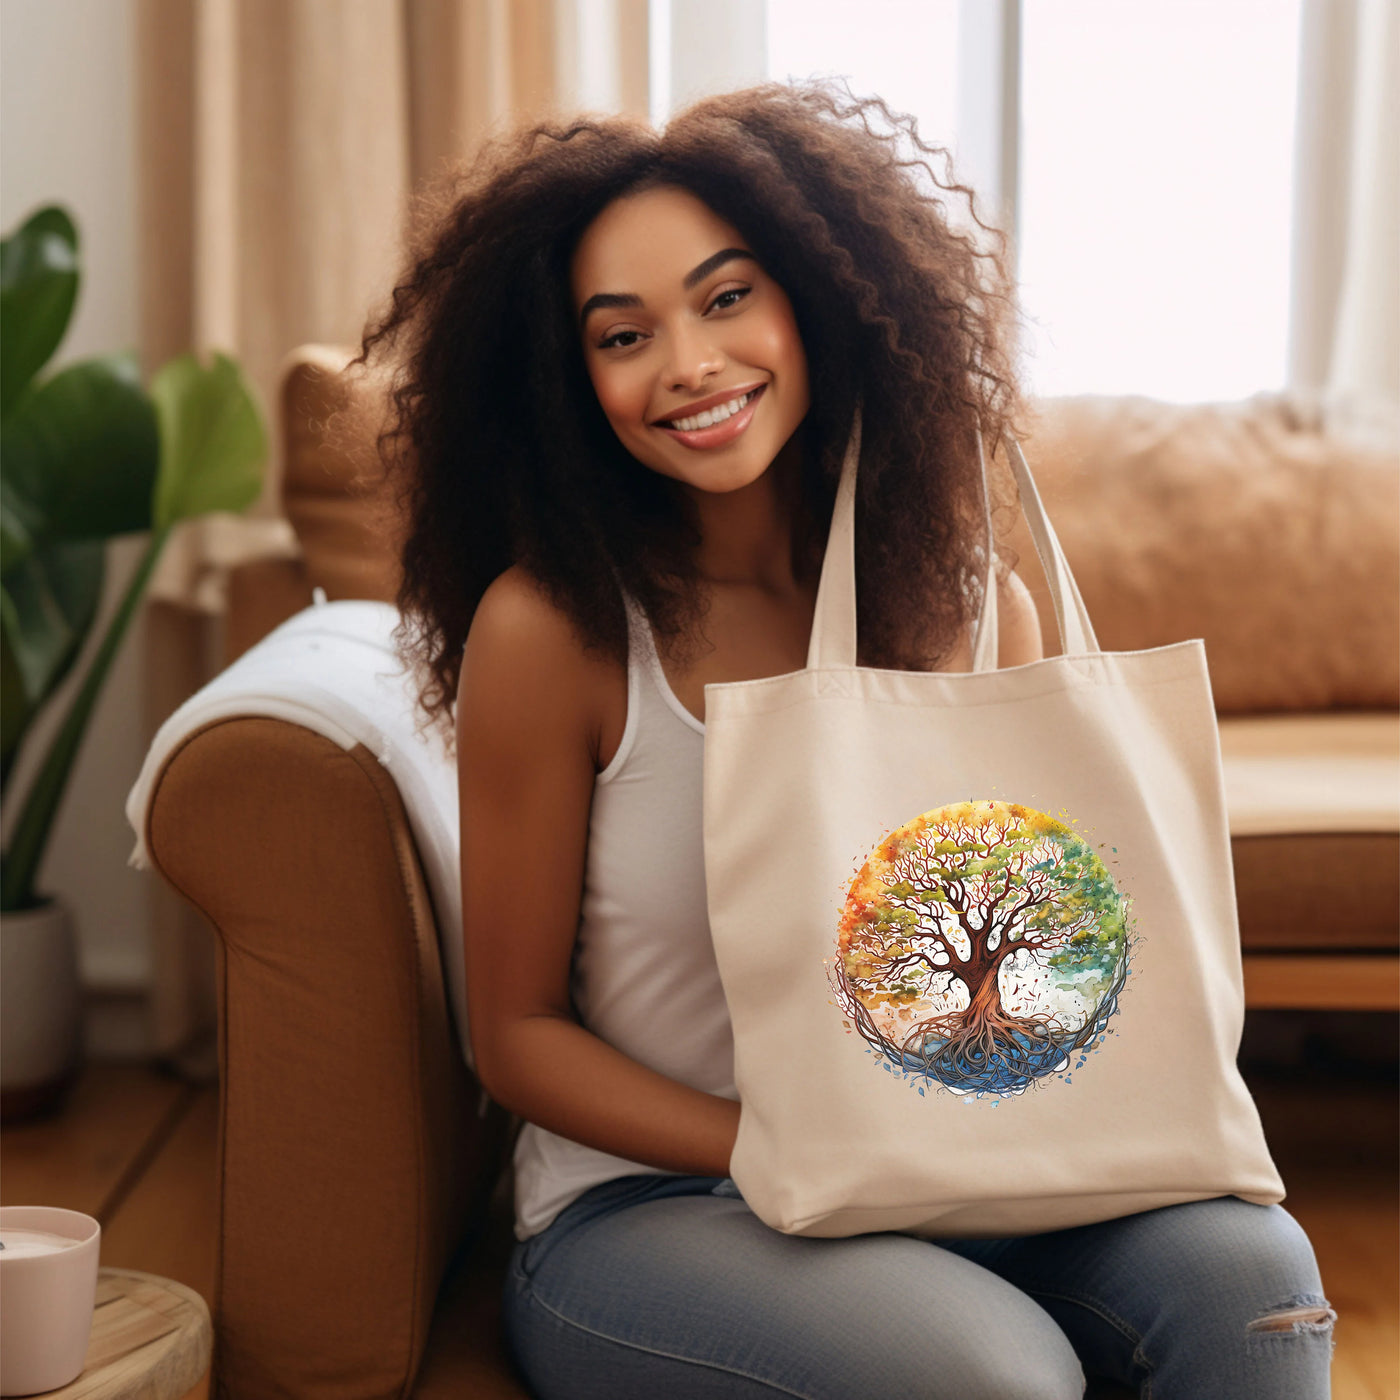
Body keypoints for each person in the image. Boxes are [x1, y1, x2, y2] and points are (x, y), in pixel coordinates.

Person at [349, 80, 1335, 1400]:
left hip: (974, 1169)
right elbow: (516, 1036)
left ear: (821, 296)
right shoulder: (557, 632)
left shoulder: (978, 602)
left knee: (1254, 1286)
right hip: (662, 1207)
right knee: (995, 1379)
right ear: (568, 381)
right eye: (622, 334)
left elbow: (1028, 958)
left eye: (726, 297)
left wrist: (963, 1125)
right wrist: (790, 1139)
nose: (689, 362)